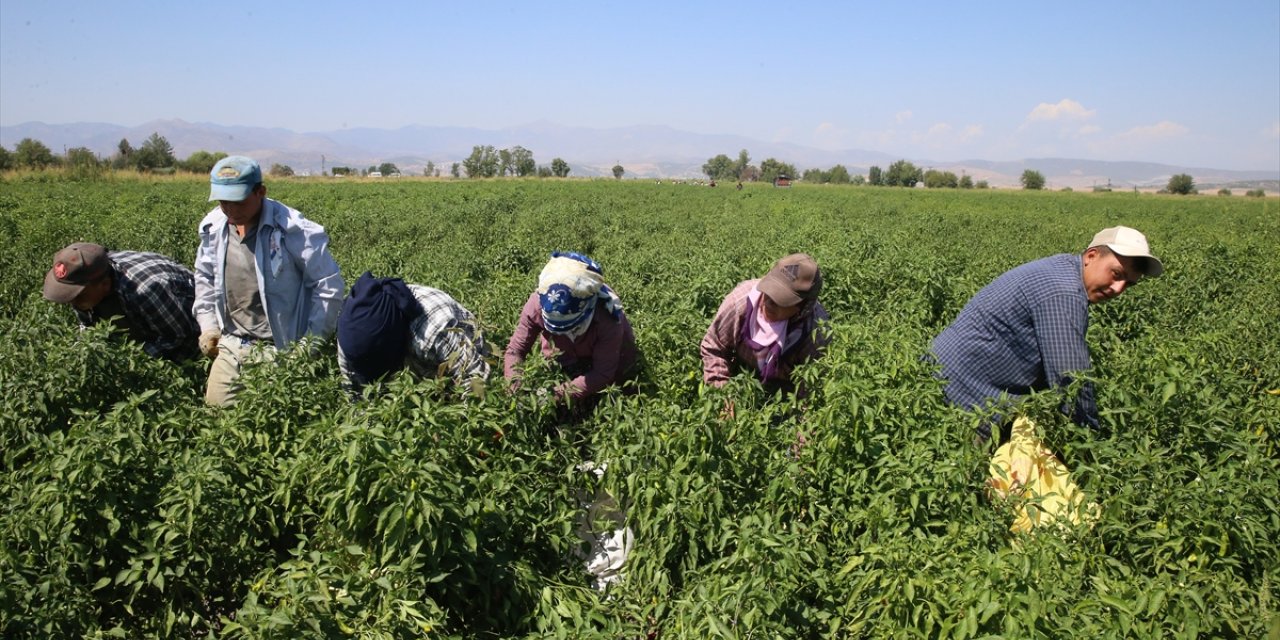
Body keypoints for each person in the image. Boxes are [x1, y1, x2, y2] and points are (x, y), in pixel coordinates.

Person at [931, 225, 1164, 444]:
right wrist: (1089, 442)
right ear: (1091, 256)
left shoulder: (1062, 267)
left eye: (1129, 284)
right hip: (966, 394)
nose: (1118, 289)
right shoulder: (1064, 293)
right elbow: (1070, 379)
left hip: (939, 371)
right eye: (1116, 274)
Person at [193, 155, 345, 406]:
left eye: (238, 202)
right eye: (223, 202)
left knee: (278, 422)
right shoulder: (215, 227)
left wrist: (309, 345)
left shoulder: (292, 230)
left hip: (280, 349)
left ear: (260, 192)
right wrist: (208, 326)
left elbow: (328, 285)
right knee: (217, 416)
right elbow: (205, 277)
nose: (230, 210)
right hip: (231, 343)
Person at [503, 252, 639, 413]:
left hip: (611, 361)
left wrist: (553, 396)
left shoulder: (607, 317)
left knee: (619, 394)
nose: (563, 334)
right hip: (562, 357)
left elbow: (603, 372)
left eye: (571, 327)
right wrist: (515, 385)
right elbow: (515, 350)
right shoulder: (537, 305)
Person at [336, 272, 491, 397]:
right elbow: (353, 390)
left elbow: (475, 381)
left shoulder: (436, 328)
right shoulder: (349, 335)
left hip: (456, 357)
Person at [701, 253, 830, 402]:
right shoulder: (739, 304)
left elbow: (810, 391)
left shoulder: (816, 332)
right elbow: (713, 347)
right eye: (768, 291)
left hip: (785, 391)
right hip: (741, 374)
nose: (768, 302)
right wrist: (723, 397)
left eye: (781, 300)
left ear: (802, 308)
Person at [42, 242, 200, 361]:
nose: (72, 302)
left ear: (104, 284)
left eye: (78, 295)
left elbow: (180, 336)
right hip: (159, 314)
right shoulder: (87, 283)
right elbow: (88, 328)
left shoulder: (145, 289)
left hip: (189, 326)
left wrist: (130, 363)